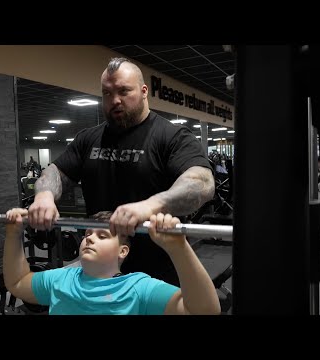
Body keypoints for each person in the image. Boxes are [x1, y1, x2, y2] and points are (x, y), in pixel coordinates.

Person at [27, 57, 215, 286]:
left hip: (156, 276)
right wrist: (44, 196)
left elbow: (202, 183)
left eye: (124, 91)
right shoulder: (88, 139)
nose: (115, 100)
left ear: (144, 91)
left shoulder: (172, 137)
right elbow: (56, 171)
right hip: (101, 272)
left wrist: (149, 206)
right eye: (107, 93)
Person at [3, 208, 221, 315]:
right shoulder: (61, 278)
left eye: (102, 236)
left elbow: (205, 310)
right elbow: (17, 283)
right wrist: (13, 233)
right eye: (88, 233)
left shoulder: (137, 288)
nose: (89, 238)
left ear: (123, 251)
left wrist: (179, 248)